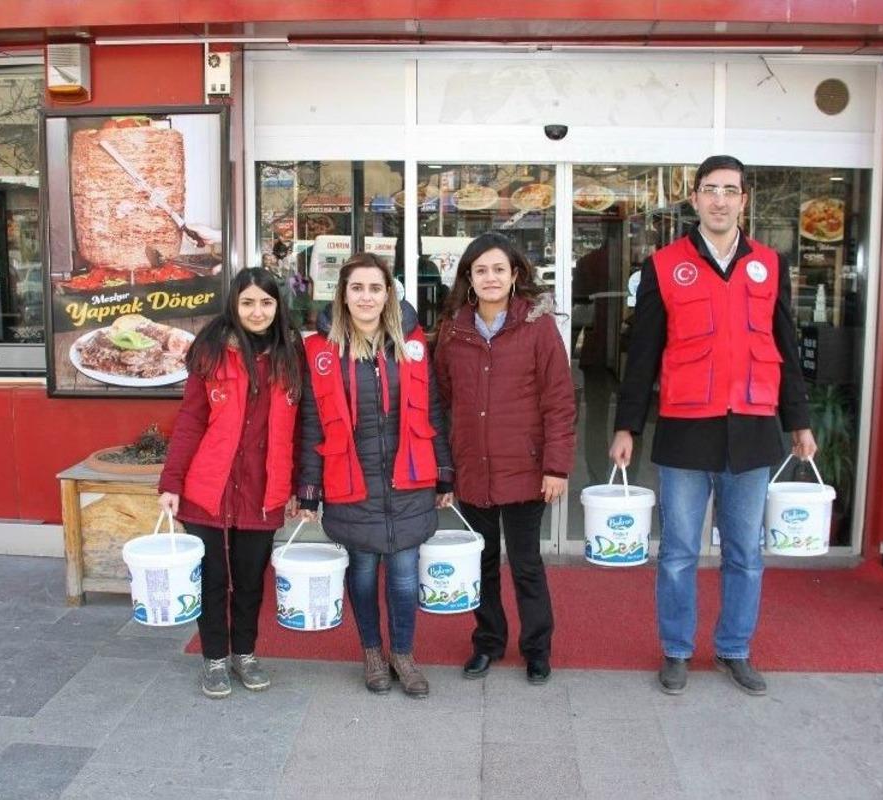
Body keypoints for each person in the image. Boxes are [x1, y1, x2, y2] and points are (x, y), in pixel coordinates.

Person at [608, 155, 816, 697]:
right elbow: (644, 354)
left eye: (730, 190)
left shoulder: (770, 264)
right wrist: (627, 425)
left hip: (751, 430)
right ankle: (676, 649)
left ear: (744, 199)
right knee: (678, 552)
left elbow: (785, 348)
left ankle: (734, 649)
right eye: (710, 190)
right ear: (694, 199)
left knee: (744, 553)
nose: (720, 199)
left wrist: (800, 420)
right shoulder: (663, 265)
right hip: (685, 430)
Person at [296, 252, 454, 698]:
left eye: (375, 287)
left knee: (404, 575)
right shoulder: (320, 350)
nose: (366, 296)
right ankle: (371, 650)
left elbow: (434, 412)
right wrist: (308, 491)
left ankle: (402, 653)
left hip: (408, 478)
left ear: (390, 294)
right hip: (351, 480)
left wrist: (444, 475)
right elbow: (312, 422)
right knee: (363, 572)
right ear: (342, 294)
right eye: (357, 287)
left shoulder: (414, 345)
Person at [435, 233, 576, 684]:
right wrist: (444, 469)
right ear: (469, 280)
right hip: (473, 466)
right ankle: (488, 642)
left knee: (526, 563)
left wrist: (556, 466)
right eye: (481, 270)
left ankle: (538, 648)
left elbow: (559, 400)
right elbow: (441, 400)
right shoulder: (454, 329)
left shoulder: (537, 326)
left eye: (499, 269)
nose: (490, 278)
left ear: (514, 275)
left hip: (526, 468)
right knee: (482, 561)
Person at [157, 267, 303, 699]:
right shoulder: (211, 353)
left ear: (278, 307)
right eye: (248, 302)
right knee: (213, 578)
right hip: (210, 486)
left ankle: (245, 653)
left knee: (251, 578)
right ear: (234, 305)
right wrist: (172, 481)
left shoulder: (291, 355)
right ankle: (215, 659)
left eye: (266, 302)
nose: (257, 312)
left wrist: (298, 485)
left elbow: (301, 429)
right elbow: (190, 421)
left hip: (262, 489)